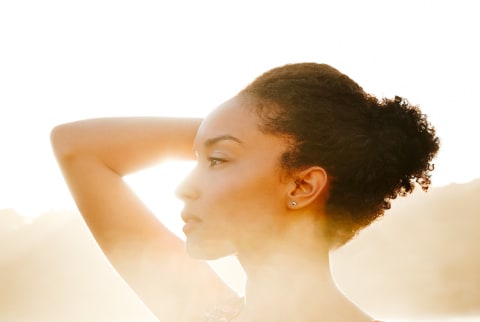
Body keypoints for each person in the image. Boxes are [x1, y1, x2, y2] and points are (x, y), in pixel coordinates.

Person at [51, 63, 440, 322]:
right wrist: (217, 139)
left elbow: (79, 148)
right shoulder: (209, 313)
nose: (184, 188)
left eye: (217, 161)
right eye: (198, 160)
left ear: (302, 185)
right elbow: (76, 146)